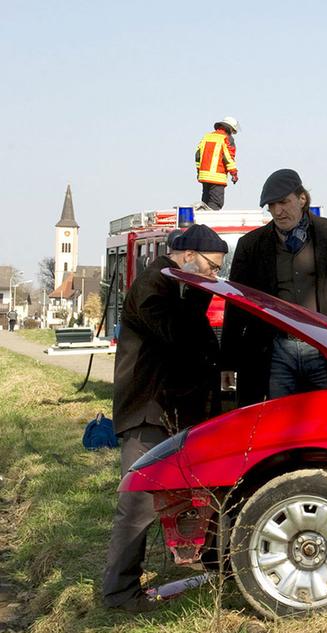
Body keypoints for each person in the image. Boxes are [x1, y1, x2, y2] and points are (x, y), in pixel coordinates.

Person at [103, 225, 226, 612]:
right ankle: (120, 593)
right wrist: (202, 297)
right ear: (187, 255)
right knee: (138, 503)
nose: (212, 276)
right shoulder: (153, 285)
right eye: (210, 267)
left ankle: (211, 566)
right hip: (148, 412)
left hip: (168, 410)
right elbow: (176, 335)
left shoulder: (173, 287)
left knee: (191, 493)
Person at [221, 169, 327, 406]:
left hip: (326, 350)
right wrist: (228, 361)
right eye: (271, 205)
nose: (278, 211)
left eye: (283, 202)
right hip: (276, 352)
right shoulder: (251, 246)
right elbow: (237, 306)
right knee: (278, 424)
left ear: (302, 199)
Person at [194, 116, 240, 210]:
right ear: (230, 128)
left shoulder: (206, 137)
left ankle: (201, 219)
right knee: (216, 203)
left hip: (204, 176)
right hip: (217, 177)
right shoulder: (226, 138)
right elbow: (228, 157)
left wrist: (199, 172)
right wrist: (234, 173)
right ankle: (210, 222)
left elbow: (198, 156)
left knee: (205, 202)